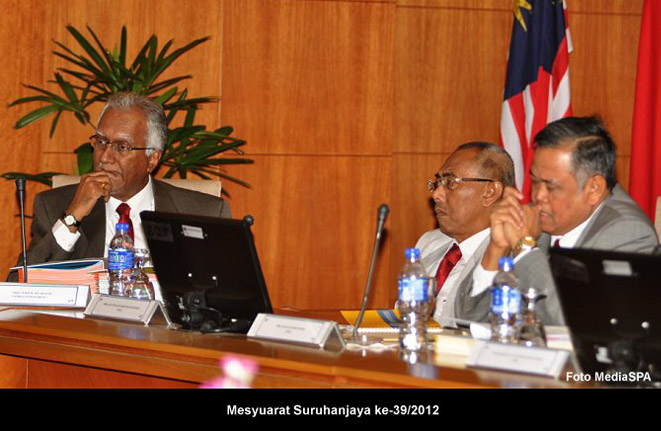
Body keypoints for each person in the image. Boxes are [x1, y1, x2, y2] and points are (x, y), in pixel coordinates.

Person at [457, 116, 659, 325]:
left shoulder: (627, 232)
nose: (538, 196)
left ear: (594, 188)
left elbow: (576, 324)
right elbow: (465, 320)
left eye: (551, 187)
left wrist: (524, 249)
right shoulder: (540, 220)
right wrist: (497, 249)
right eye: (535, 181)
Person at [12, 92, 231, 276]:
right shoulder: (54, 206)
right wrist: (72, 217)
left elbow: (227, 294)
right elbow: (19, 286)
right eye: (101, 142)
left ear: (152, 159)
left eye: (122, 147)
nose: (105, 157)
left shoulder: (204, 213)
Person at [414, 142, 515, 327]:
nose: (436, 194)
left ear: (490, 192)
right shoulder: (429, 242)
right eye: (437, 183)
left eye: (451, 183)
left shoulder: (511, 256)